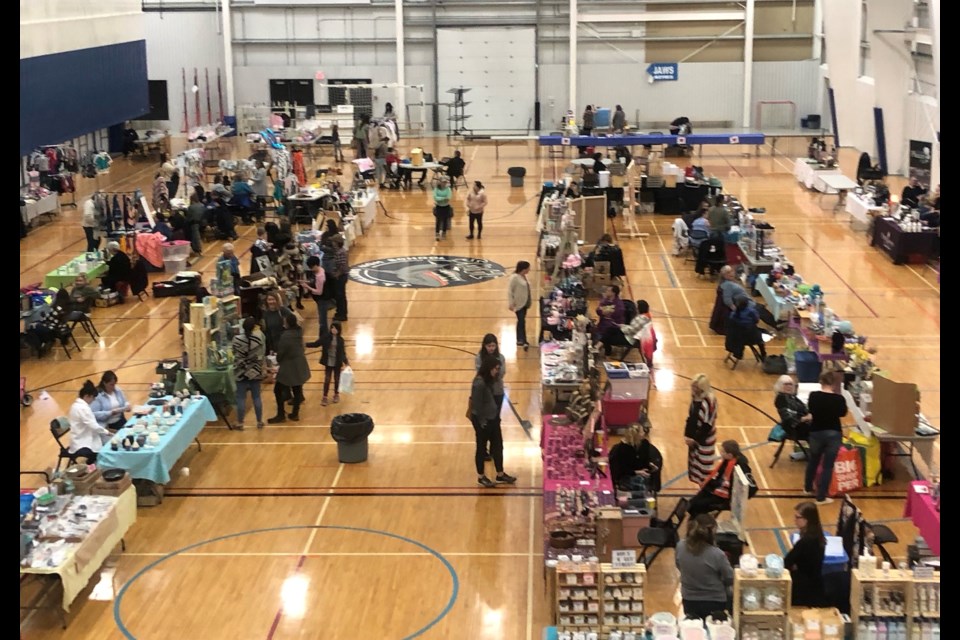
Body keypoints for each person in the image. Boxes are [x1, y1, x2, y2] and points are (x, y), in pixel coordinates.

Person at [675, 514, 734, 619]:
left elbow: (679, 566)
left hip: (689, 601)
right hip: (715, 601)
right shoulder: (717, 554)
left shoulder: (680, 546)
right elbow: (729, 578)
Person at [470, 357, 517, 487]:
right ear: (489, 368)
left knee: (498, 446)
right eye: (496, 369)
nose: (497, 371)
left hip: (493, 418)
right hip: (483, 421)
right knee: (481, 448)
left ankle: (500, 474)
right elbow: (477, 405)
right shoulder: (479, 383)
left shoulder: (489, 380)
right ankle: (481, 476)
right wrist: (482, 422)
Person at [805, 371, 848, 505]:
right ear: (834, 384)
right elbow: (843, 413)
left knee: (813, 460)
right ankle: (821, 497)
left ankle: (807, 488)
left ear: (821, 382)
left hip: (816, 432)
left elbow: (811, 410)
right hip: (833, 433)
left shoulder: (813, 396)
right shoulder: (839, 399)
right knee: (827, 466)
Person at [688, 440, 754, 517]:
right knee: (691, 503)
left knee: (697, 505)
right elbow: (719, 476)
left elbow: (745, 488)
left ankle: (701, 520)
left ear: (729, 455)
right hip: (716, 487)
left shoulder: (739, 468)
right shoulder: (728, 461)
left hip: (723, 496)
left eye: (723, 451)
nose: (720, 453)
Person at [785, 501, 828, 607]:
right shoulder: (817, 534)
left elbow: (787, 562)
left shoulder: (806, 541)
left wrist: (794, 566)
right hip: (814, 583)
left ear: (806, 520)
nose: (794, 520)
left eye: (797, 517)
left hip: (804, 588)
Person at [269, 313, 311, 423]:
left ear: (287, 323)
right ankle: (295, 413)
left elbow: (281, 353)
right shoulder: (298, 332)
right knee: (297, 390)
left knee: (277, 390)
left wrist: (277, 359)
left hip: (289, 367)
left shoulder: (285, 336)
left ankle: (281, 414)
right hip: (300, 364)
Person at [475, 333, 506, 462]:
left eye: (493, 345)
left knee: (496, 421)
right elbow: (480, 373)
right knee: (486, 423)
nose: (491, 348)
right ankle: (485, 450)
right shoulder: (479, 358)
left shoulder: (501, 357)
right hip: (485, 395)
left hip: (497, 393)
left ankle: (495, 449)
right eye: (489, 346)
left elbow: (502, 373)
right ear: (484, 346)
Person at [608, 421, 662, 492]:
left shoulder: (644, 444)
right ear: (636, 435)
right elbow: (621, 469)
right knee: (640, 482)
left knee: (646, 479)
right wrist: (637, 472)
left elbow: (644, 460)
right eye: (642, 432)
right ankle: (639, 499)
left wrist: (650, 465)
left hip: (642, 472)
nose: (644, 433)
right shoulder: (622, 449)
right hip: (627, 475)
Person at [684, 374, 718, 486]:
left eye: (695, 388)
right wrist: (687, 435)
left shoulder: (710, 400)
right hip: (694, 439)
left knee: (704, 471)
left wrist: (695, 440)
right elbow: (691, 417)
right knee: (695, 466)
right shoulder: (695, 397)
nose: (692, 390)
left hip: (704, 440)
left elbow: (707, 425)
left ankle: (704, 492)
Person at [233, 317, 265, 430]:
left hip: (240, 371)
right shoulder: (258, 339)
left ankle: (240, 423)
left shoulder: (236, 339)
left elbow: (234, 353)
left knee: (241, 398)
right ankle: (259, 421)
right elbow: (260, 356)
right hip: (255, 371)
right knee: (256, 397)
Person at [67, 381, 111, 463]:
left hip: (83, 436)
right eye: (93, 398)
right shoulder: (82, 408)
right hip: (81, 442)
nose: (94, 400)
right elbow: (93, 425)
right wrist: (107, 432)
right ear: (87, 396)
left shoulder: (76, 405)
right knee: (106, 446)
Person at [25, 288, 71, 354]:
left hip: (54, 328)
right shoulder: (67, 307)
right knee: (36, 326)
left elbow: (47, 319)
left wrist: (37, 322)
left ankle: (41, 345)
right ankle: (45, 342)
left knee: (30, 329)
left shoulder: (57, 308)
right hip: (61, 326)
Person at [301, 255, 333, 346]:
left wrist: (307, 287)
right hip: (322, 299)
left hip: (322, 299)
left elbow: (319, 292)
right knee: (322, 320)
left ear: (315, 265)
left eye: (311, 267)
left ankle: (324, 339)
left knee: (322, 321)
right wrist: (308, 282)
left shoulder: (320, 276)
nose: (311, 269)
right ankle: (323, 338)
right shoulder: (320, 270)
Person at [725, 295, 767, 362]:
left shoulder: (733, 314)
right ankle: (763, 355)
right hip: (748, 338)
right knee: (761, 338)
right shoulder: (751, 311)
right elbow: (756, 320)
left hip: (735, 338)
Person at [774, 374, 812, 443]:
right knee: (820, 431)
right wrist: (806, 418)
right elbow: (790, 419)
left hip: (801, 424)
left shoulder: (792, 397)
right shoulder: (781, 399)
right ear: (780, 385)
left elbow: (804, 409)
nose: (789, 387)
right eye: (786, 384)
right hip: (793, 428)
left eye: (790, 384)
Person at [320, 321, 349, 406]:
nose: (333, 330)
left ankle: (336, 394)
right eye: (332, 328)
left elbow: (343, 353)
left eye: (335, 328)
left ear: (339, 330)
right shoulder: (326, 338)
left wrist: (346, 362)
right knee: (327, 379)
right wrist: (306, 344)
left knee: (337, 379)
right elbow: (317, 343)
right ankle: (324, 396)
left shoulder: (340, 340)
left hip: (337, 363)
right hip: (328, 362)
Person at [507, 260, 532, 351]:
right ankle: (524, 340)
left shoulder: (524, 276)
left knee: (520, 321)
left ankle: (519, 339)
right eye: (528, 268)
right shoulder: (514, 278)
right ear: (524, 268)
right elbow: (510, 291)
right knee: (522, 321)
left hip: (525, 302)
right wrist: (511, 303)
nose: (529, 269)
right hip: (519, 303)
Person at [261, 291, 294, 356]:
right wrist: (271, 348)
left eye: (273, 299)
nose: (271, 302)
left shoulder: (284, 311)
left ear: (277, 300)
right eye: (269, 300)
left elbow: (294, 325)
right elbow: (268, 332)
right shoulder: (266, 314)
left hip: (286, 344)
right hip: (275, 345)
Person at [330, 235, 350, 322]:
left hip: (340, 277)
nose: (332, 243)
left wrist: (336, 275)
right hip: (340, 276)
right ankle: (340, 312)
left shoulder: (340, 253)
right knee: (339, 296)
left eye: (333, 242)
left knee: (340, 296)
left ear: (337, 243)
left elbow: (342, 266)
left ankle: (342, 314)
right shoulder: (339, 251)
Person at [185, 192, 205, 257]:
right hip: (202, 223)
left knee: (196, 237)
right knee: (198, 236)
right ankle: (198, 249)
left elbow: (188, 217)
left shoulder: (191, 207)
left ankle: (198, 249)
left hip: (194, 223)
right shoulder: (202, 205)